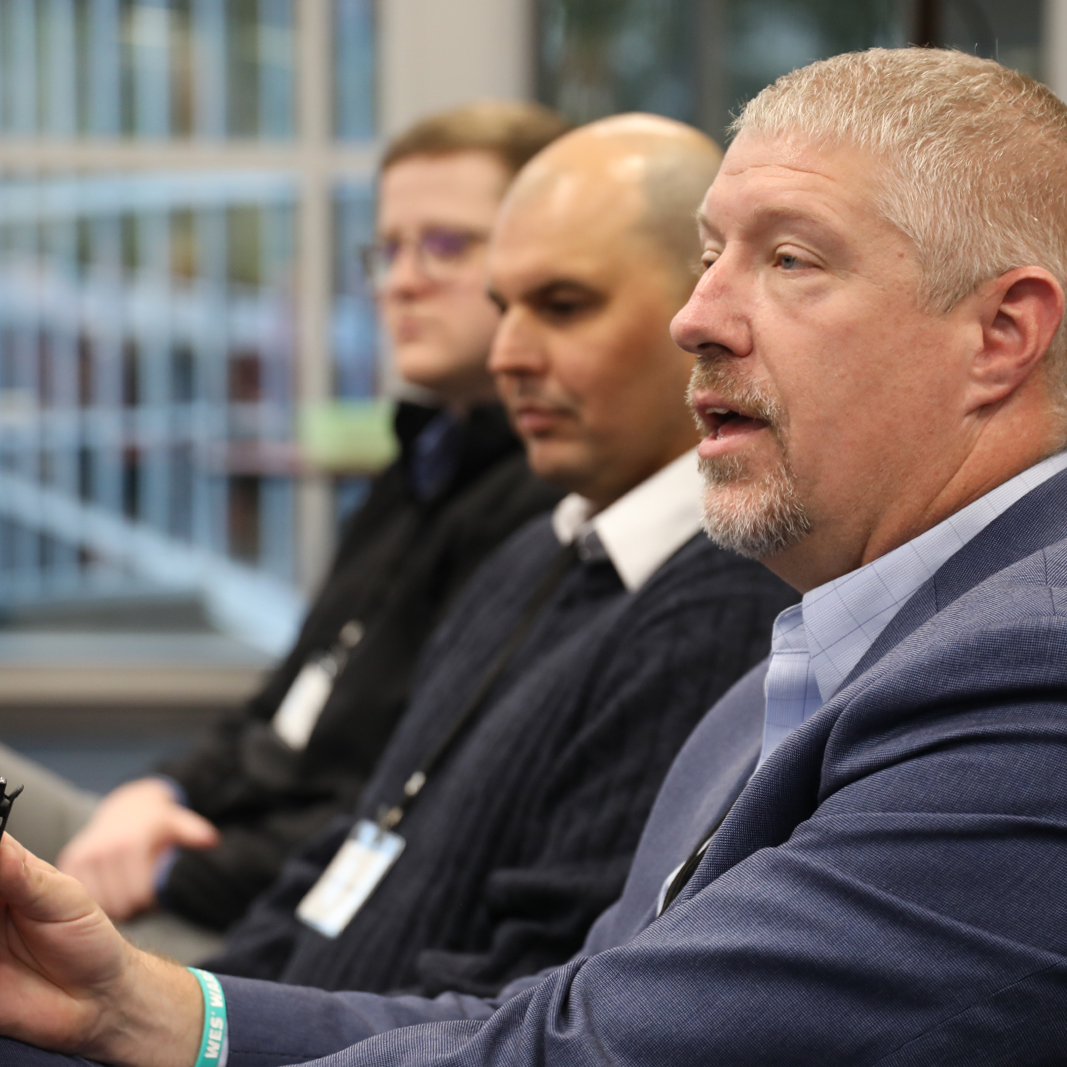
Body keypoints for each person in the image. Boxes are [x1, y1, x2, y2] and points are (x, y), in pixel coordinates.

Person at [11, 44, 1067, 1065]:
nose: (693, 318)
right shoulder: (784, 669)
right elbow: (557, 1008)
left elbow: (600, 1048)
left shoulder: (1029, 667)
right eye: (707, 259)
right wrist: (140, 1009)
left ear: (1000, 335)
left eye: (788, 259)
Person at [194, 113, 793, 998]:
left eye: (562, 307)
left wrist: (198, 1023)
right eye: (503, 306)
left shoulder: (711, 606)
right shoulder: (532, 553)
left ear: (696, 312)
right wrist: (187, 1004)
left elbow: (535, 988)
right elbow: (351, 843)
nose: (509, 354)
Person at [0, 101, 570, 954]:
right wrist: (158, 793)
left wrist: (164, 864)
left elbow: (389, 819)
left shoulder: (542, 508)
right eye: (388, 249)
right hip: (189, 842)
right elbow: (279, 703)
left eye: (447, 245)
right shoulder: (419, 459)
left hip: (253, 916)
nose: (403, 279)